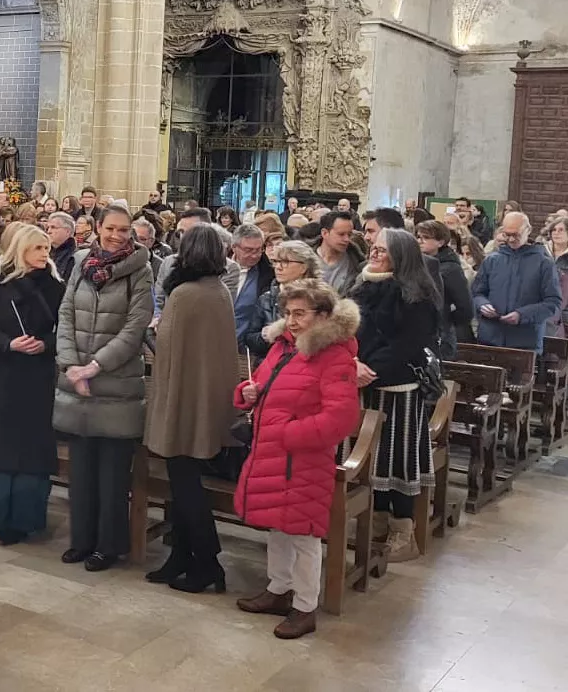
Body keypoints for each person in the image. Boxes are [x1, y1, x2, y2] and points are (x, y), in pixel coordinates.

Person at [233, 279, 362, 639]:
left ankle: (305, 607)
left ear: (322, 315)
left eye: (300, 314)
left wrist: (289, 434)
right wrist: (247, 394)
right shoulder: (283, 348)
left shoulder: (334, 355)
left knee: (303, 534)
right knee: (279, 527)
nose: (291, 320)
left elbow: (341, 417)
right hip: (272, 454)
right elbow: (262, 385)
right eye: (288, 313)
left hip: (303, 460)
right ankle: (278, 589)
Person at [52, 205, 154, 569]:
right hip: (76, 381)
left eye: (124, 230)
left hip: (116, 385)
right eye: (111, 228)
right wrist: (70, 364)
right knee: (80, 471)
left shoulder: (140, 271)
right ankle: (81, 540)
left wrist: (95, 366)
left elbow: (135, 327)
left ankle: (107, 545)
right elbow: (65, 314)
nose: (117, 235)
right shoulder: (81, 262)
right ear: (98, 227)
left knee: (112, 474)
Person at [145, 225, 239, 592]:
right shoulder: (220, 291)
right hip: (207, 400)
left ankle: (208, 561)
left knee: (184, 484)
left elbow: (167, 349)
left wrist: (149, 333)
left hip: (183, 401)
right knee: (184, 481)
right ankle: (181, 556)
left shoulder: (184, 294)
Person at [0, 223, 66, 545]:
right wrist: (8, 344)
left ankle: (27, 519)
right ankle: (1, 518)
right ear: (21, 250)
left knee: (31, 446)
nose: (45, 254)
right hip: (3, 373)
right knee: (1, 446)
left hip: (36, 376)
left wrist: (45, 344)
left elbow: (64, 329)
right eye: (38, 248)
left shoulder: (55, 286)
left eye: (47, 249)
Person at [350, 227, 441, 562]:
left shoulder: (416, 296)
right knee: (372, 460)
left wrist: (367, 370)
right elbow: (346, 329)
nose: (374, 254)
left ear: (401, 257)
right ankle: (376, 522)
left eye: (382, 251)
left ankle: (404, 532)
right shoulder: (362, 285)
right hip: (363, 382)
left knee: (397, 460)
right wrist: (351, 362)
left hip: (397, 389)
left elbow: (406, 345)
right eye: (373, 249)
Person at [472, 211, 563, 354]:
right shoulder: (492, 260)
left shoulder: (544, 263)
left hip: (525, 342)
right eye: (507, 234)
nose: (511, 239)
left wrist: (522, 315)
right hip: (490, 338)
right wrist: (482, 305)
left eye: (516, 234)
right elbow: (477, 293)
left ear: (528, 230)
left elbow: (553, 303)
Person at [240, 240, 321, 358]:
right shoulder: (266, 298)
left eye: (285, 262)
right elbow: (250, 340)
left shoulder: (321, 298)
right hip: (273, 366)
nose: (278, 267)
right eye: (276, 262)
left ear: (304, 267)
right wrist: (267, 335)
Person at [416, 220, 473, 360]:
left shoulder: (450, 268)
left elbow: (465, 307)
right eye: (418, 237)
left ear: (440, 242)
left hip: (441, 335)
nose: (420, 241)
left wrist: (445, 320)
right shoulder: (418, 262)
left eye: (426, 238)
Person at [230, 224, 273, 345]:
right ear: (234, 247)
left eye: (259, 250)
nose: (254, 255)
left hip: (244, 348)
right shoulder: (217, 269)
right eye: (248, 250)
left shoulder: (268, 275)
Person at [316, 211, 362, 295]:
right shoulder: (304, 260)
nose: (347, 239)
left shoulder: (356, 263)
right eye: (341, 234)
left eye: (349, 234)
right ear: (325, 233)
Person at [543, 217, 568, 337]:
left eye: (561, 230)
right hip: (543, 308)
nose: (556, 233)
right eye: (554, 230)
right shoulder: (541, 252)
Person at [46, 212, 78, 281]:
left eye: (53, 227)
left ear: (67, 231)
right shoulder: (45, 252)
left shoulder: (75, 256)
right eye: (48, 227)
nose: (49, 231)